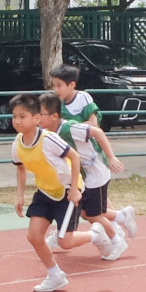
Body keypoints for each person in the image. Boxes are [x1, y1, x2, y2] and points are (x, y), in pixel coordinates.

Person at [48, 64, 138, 240]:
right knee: (89, 205)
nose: (55, 89)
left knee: (92, 207)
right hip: (73, 159)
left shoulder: (83, 98)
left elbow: (94, 125)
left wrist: (72, 128)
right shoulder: (56, 104)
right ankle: (116, 222)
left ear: (72, 85)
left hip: (91, 158)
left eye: (59, 85)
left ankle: (115, 226)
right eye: (53, 85)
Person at [40, 92, 129, 261]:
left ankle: (117, 239)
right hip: (82, 176)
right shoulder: (48, 133)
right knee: (81, 211)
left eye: (41, 114)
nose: (38, 118)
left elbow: (98, 132)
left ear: (54, 116)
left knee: (94, 214)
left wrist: (111, 157)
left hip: (95, 173)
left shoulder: (70, 128)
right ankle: (120, 218)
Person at [9, 92, 83, 292]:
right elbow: (21, 168)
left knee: (65, 242)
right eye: (14, 116)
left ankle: (96, 234)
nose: (17, 121)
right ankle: (55, 275)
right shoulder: (17, 144)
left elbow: (75, 157)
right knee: (34, 236)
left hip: (67, 189)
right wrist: (20, 196)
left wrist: (75, 189)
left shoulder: (49, 139)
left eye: (22, 116)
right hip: (45, 191)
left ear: (37, 118)